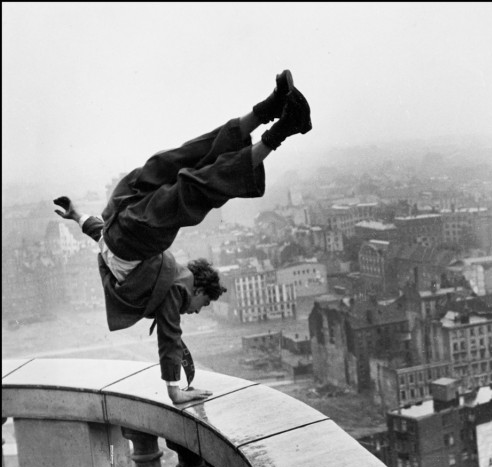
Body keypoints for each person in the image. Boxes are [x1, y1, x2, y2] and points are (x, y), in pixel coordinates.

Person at [54, 69, 311, 404]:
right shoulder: (176, 287)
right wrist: (175, 390)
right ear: (198, 288)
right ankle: (275, 116)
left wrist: (76, 215)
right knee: (188, 174)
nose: (196, 311)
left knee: (183, 169)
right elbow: (170, 335)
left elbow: (102, 240)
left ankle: (281, 122)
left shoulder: (169, 285)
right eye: (202, 304)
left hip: (122, 219)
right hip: (128, 224)